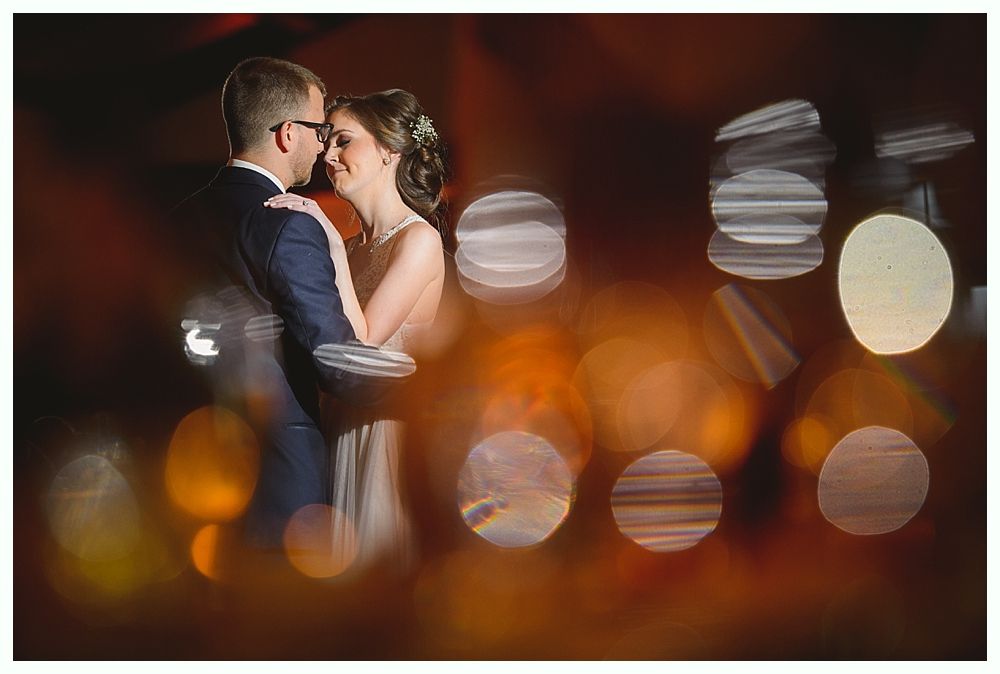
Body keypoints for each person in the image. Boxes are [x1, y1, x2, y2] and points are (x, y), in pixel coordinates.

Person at [172, 57, 389, 550]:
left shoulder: (178, 219)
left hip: (187, 465)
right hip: (279, 475)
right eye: (317, 130)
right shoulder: (289, 224)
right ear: (288, 133)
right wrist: (428, 387)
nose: (322, 145)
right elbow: (338, 366)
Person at [264, 89, 447, 572]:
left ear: (389, 150)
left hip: (386, 440)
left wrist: (326, 237)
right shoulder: (350, 246)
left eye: (343, 141)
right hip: (338, 429)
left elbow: (361, 344)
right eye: (326, 142)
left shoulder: (420, 240)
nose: (328, 154)